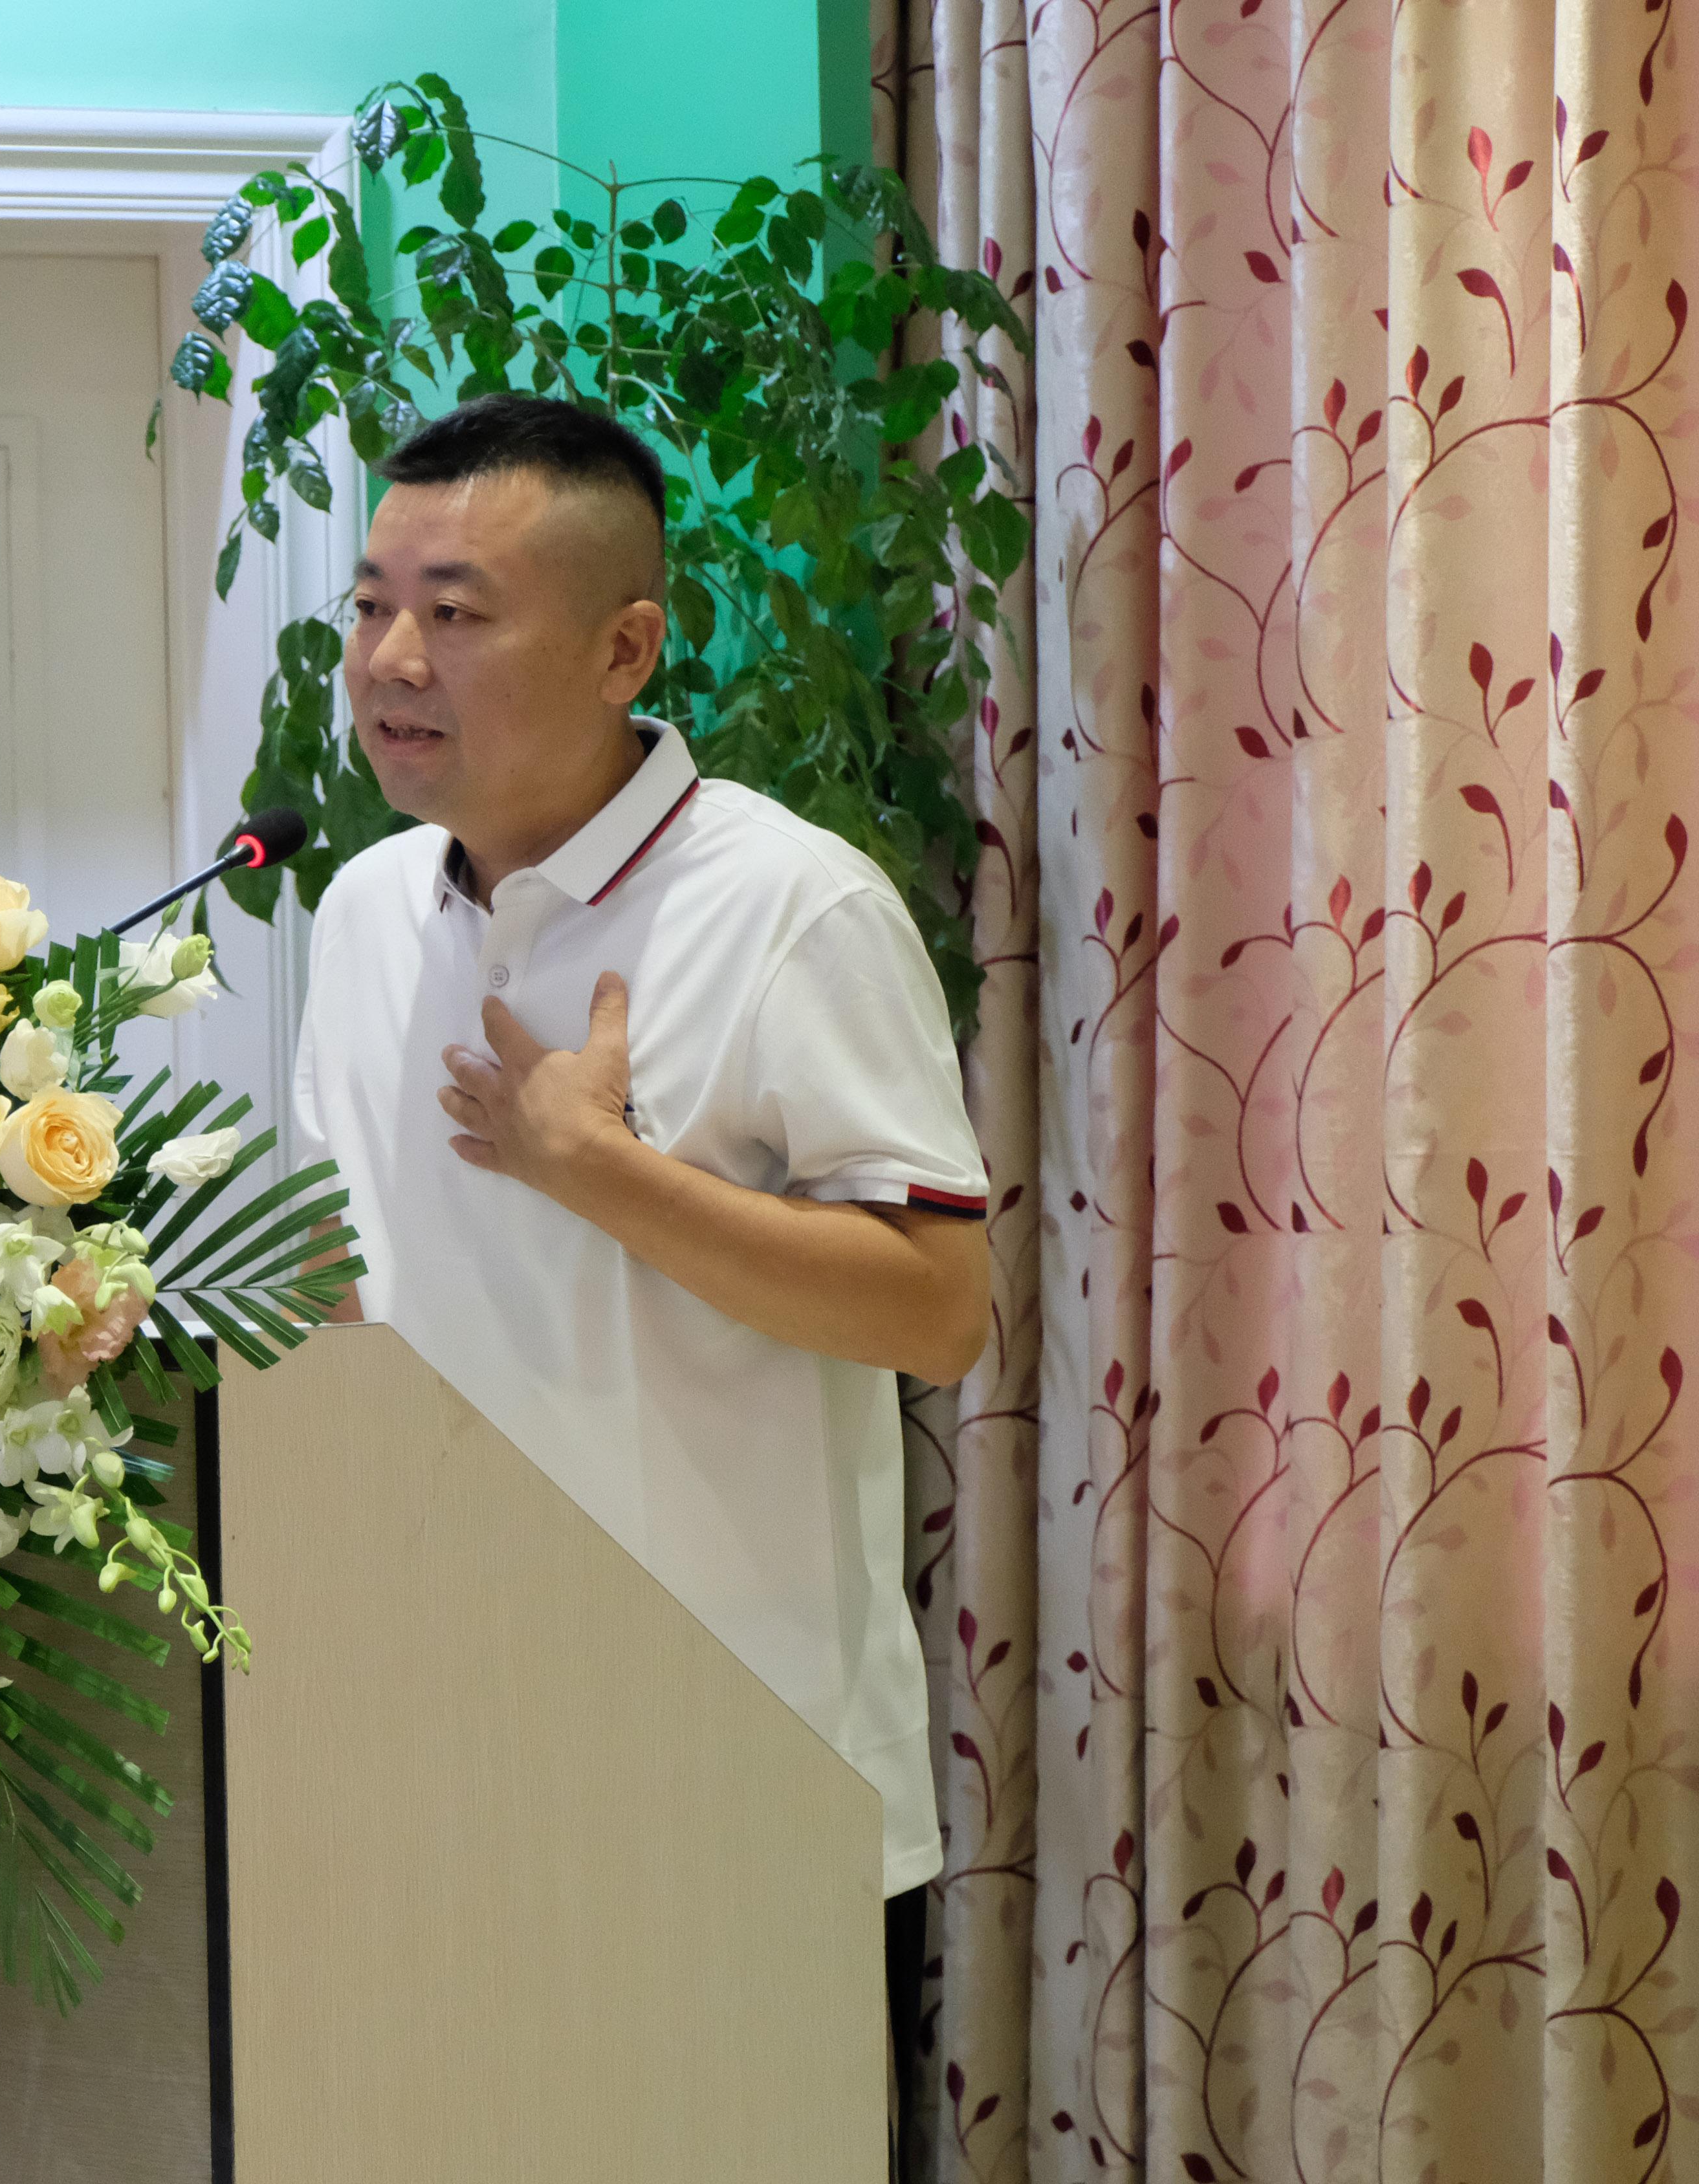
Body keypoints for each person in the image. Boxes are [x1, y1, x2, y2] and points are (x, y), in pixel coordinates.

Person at [283, 392, 990, 2165]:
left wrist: (602, 1173)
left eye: (456, 613)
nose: (391, 661)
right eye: (372, 605)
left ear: (626, 648)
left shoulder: (792, 907)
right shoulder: (366, 910)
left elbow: (938, 1307)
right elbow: (353, 1289)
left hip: (738, 1793)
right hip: (433, 1778)